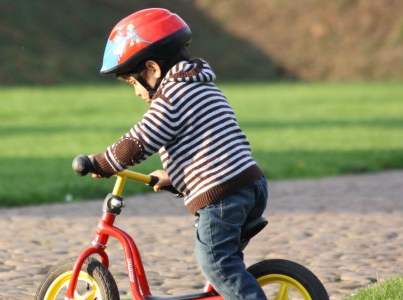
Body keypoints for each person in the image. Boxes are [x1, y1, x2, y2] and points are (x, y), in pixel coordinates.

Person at [86, 8, 268, 300]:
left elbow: (141, 140)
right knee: (227, 262)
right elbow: (211, 145)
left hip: (224, 195)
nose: (136, 92)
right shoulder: (203, 88)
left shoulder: (171, 97)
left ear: (153, 69)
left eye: (134, 82)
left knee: (216, 264)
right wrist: (175, 176)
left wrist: (104, 161)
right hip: (248, 183)